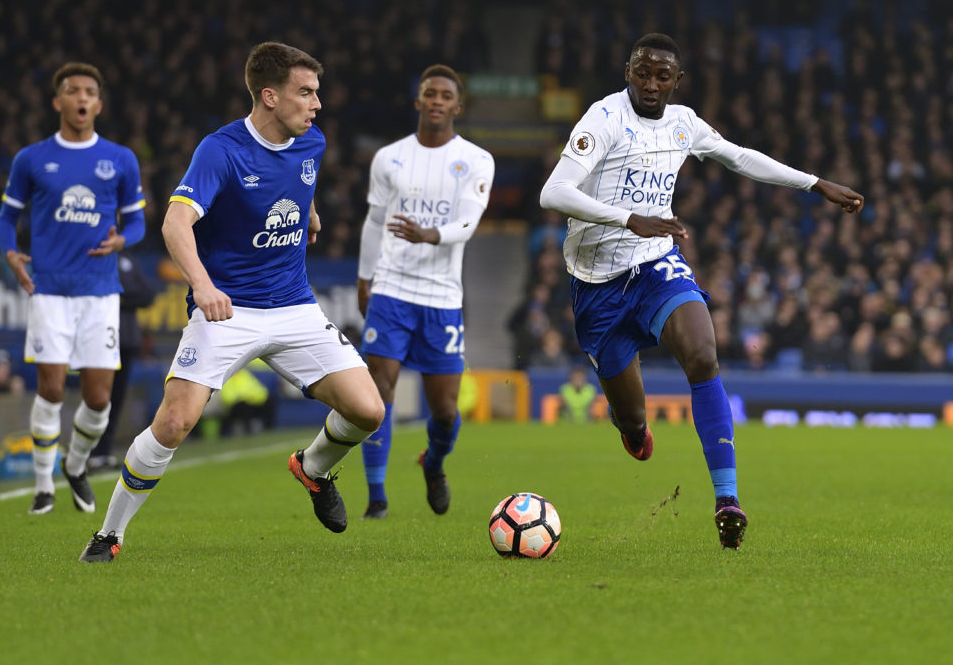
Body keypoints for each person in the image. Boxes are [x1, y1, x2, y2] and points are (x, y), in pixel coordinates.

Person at [539, 33, 863, 549]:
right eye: (642, 72)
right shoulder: (602, 119)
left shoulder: (684, 123)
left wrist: (814, 183)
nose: (651, 83)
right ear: (628, 71)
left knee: (703, 356)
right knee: (632, 419)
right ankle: (632, 429)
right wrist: (630, 218)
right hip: (595, 284)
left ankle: (726, 499)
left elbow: (740, 157)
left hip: (653, 265)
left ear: (677, 80)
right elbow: (553, 191)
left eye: (662, 75)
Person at [79, 41, 384, 563]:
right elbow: (176, 222)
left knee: (368, 410)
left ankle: (312, 469)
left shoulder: (312, 143)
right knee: (173, 423)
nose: (316, 105)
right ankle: (108, 536)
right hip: (227, 309)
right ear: (269, 96)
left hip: (293, 306)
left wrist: (307, 215)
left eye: (317, 93)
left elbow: (291, 188)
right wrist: (202, 285)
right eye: (305, 93)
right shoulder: (220, 151)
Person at [0, 62, 146, 515]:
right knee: (54, 388)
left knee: (99, 398)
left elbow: (137, 221)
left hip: (100, 292)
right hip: (50, 290)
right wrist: (9, 253)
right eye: (72, 90)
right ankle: (43, 484)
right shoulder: (32, 159)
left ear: (98, 105)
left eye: (89, 92)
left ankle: (75, 465)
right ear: (58, 101)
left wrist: (122, 238)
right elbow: (7, 219)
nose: (81, 98)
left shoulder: (120, 159)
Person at [356, 64, 494, 519]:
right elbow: (375, 222)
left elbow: (469, 223)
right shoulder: (389, 158)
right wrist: (364, 277)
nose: (436, 101)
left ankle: (433, 464)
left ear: (457, 105)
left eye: (444, 95)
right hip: (392, 289)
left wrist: (429, 234)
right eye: (428, 93)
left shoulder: (475, 160)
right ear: (418, 101)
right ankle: (376, 496)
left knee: (446, 411)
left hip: (441, 298)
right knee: (378, 391)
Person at [87, 250, 156, 471]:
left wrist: (116, 295)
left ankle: (103, 453)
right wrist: (123, 295)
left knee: (116, 400)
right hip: (98, 339)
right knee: (97, 398)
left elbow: (148, 294)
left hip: (126, 340)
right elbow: (91, 291)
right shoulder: (91, 255)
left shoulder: (127, 259)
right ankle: (88, 453)